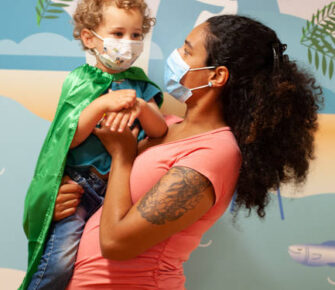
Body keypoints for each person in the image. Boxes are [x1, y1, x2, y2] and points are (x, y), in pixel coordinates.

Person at [41, 15, 323, 289]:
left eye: (187, 51)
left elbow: (117, 244)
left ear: (216, 75)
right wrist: (67, 204)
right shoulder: (164, 126)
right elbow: (115, 199)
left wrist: (122, 157)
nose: (175, 55)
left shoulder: (215, 153)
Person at [21, 0, 168, 289]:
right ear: (90, 38)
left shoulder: (140, 84)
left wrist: (140, 106)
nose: (128, 43)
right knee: (59, 261)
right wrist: (102, 103)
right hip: (78, 186)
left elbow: (160, 130)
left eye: (136, 35)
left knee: (98, 265)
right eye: (117, 33)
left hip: (117, 190)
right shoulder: (80, 80)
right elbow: (66, 138)